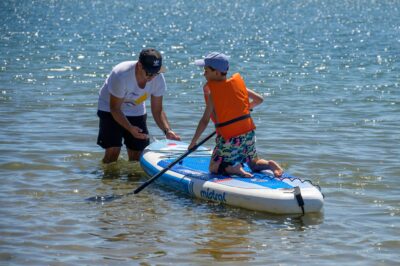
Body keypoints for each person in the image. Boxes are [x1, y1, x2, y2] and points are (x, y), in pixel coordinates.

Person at [188, 52, 283, 177]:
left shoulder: (213, 94)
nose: (204, 73)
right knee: (254, 163)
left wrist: (193, 143)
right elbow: (259, 99)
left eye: (206, 70)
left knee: (213, 168)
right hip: (248, 133)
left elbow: (204, 120)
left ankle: (233, 168)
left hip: (230, 137)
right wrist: (243, 110)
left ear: (216, 73)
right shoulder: (239, 85)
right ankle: (270, 165)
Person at [97, 48, 180, 163]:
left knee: (138, 154)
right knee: (113, 150)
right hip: (109, 107)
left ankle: (132, 181)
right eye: (149, 72)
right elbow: (115, 109)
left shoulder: (158, 79)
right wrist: (130, 128)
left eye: (156, 72)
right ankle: (109, 179)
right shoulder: (121, 75)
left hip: (135, 108)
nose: (152, 77)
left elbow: (157, 110)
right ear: (139, 65)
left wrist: (167, 130)